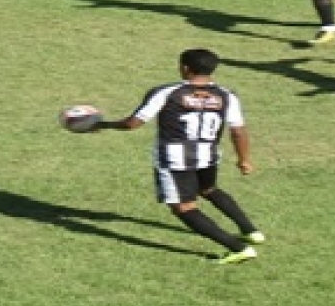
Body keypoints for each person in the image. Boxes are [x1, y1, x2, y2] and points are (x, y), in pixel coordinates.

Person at [96, 49, 264, 265]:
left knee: (183, 207)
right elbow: (238, 131)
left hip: (175, 159)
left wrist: (101, 124)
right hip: (208, 156)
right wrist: (244, 159)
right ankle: (251, 231)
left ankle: (239, 248)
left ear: (185, 68)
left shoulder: (167, 92)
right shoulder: (227, 95)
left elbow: (133, 123)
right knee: (209, 189)